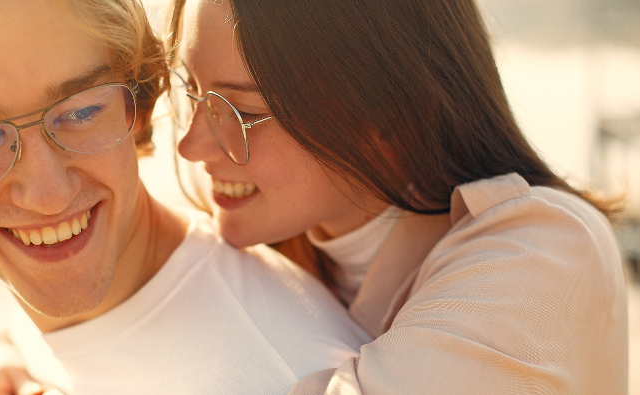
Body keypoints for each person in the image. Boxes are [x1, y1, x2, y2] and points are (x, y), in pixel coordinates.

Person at [0, 0, 372, 394]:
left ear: (135, 108)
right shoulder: (48, 325)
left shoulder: (284, 373)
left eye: (81, 111)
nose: (48, 195)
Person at [168, 0, 629, 393]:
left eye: (241, 112)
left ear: (391, 117)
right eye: (192, 90)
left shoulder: (542, 254)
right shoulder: (257, 257)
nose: (191, 146)